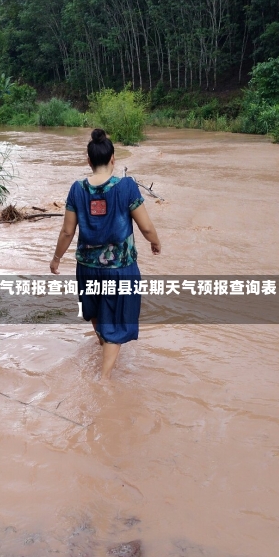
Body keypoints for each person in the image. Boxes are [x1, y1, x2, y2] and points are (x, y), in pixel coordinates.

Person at [50, 128, 161, 380]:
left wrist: (56, 259)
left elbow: (67, 232)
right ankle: (104, 379)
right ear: (113, 159)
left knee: (97, 312)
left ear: (88, 161)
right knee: (116, 319)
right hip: (119, 269)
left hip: (87, 268)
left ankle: (103, 349)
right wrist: (155, 242)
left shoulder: (77, 189)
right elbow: (145, 226)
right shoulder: (126, 187)